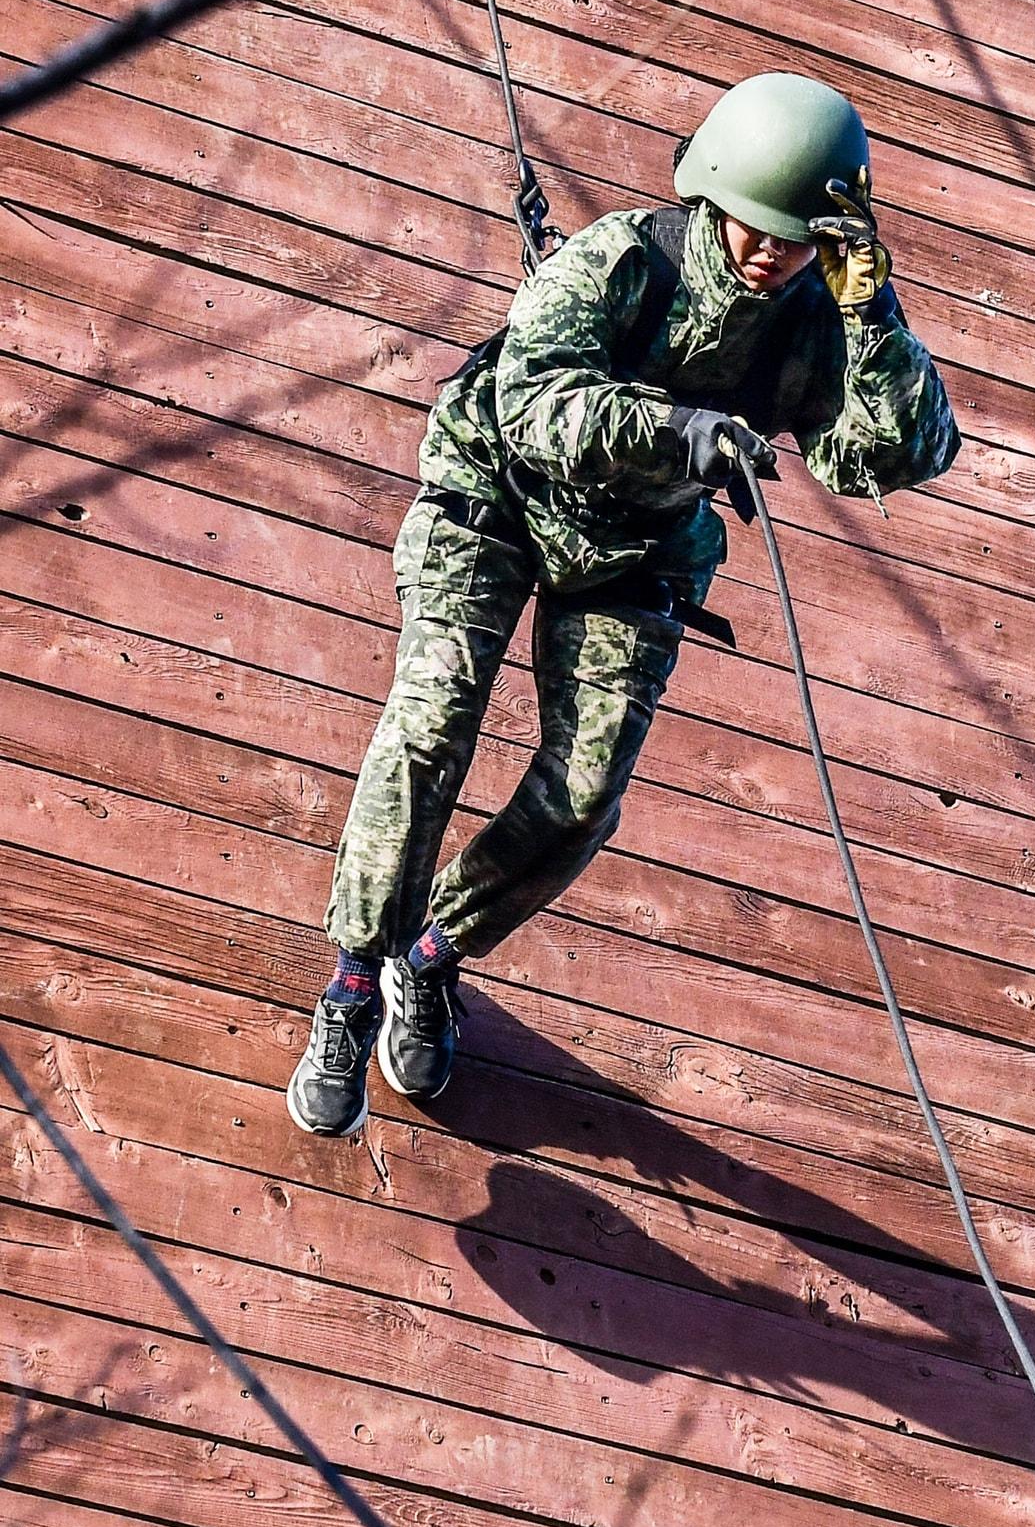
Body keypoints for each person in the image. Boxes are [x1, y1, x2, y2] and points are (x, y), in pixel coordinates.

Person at [287, 70, 961, 1136]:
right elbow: (535, 403)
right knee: (431, 724)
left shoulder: (817, 323)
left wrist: (871, 315)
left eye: (793, 236)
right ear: (711, 193)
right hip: (496, 497)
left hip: (637, 550)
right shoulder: (622, 257)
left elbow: (887, 457)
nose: (766, 251)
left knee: (587, 792)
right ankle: (354, 978)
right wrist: (677, 431)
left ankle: (433, 954)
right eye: (751, 224)